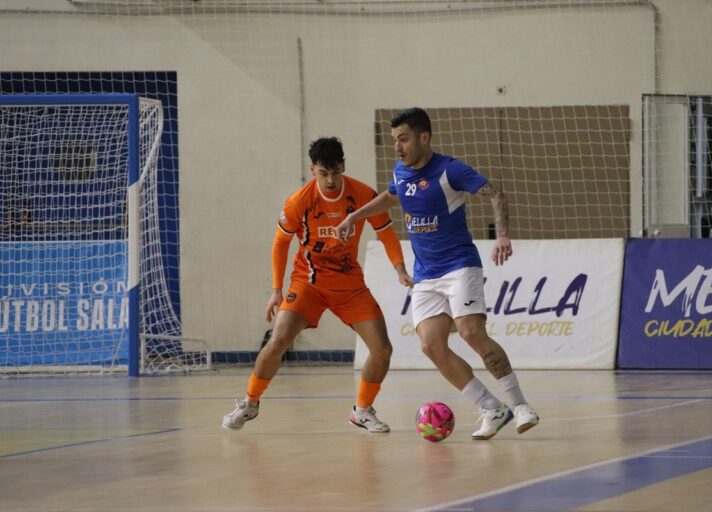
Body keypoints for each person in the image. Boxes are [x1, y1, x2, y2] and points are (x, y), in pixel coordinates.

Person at [336, 107, 539, 440]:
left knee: (471, 331)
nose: (398, 147)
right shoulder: (401, 172)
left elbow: (495, 194)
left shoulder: (450, 170)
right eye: (394, 141)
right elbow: (389, 197)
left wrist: (502, 234)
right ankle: (491, 407)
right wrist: (352, 218)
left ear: (424, 137)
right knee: (431, 345)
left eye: (403, 139)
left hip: (459, 265)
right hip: (425, 275)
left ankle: (520, 406)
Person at [223, 136, 413, 432]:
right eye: (324, 173)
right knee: (278, 340)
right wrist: (276, 290)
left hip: (350, 285)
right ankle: (250, 402)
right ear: (313, 170)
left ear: (343, 167)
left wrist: (400, 269)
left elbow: (386, 233)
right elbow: (280, 243)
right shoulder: (300, 201)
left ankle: (362, 411)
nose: (331, 180)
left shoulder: (363, 194)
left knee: (383, 350)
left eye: (336, 172)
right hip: (308, 283)